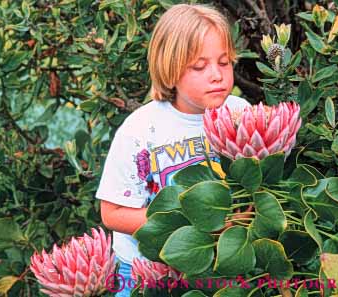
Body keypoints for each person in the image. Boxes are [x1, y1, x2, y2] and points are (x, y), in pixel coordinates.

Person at [95, 4, 251, 296]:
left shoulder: (241, 114)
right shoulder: (141, 130)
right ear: (170, 70)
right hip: (145, 271)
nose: (216, 75)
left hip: (221, 266)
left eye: (224, 62)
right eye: (199, 66)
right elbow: (112, 213)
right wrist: (194, 220)